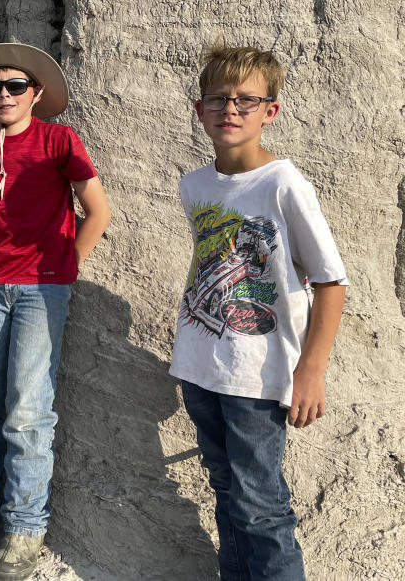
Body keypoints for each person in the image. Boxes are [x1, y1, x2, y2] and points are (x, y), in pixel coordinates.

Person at [171, 45, 347, 580]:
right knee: (225, 490)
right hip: (200, 365)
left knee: (260, 505)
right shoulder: (194, 184)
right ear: (200, 109)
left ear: (270, 110)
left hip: (259, 374)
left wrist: (310, 370)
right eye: (218, 99)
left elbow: (332, 282)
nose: (231, 110)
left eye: (247, 100)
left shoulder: (284, 184)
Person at [0, 43, 111, 581]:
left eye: (15, 86)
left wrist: (65, 267)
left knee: (28, 409)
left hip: (45, 290)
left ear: (36, 94)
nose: (4, 95)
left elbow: (98, 210)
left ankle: (23, 524)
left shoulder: (58, 140)